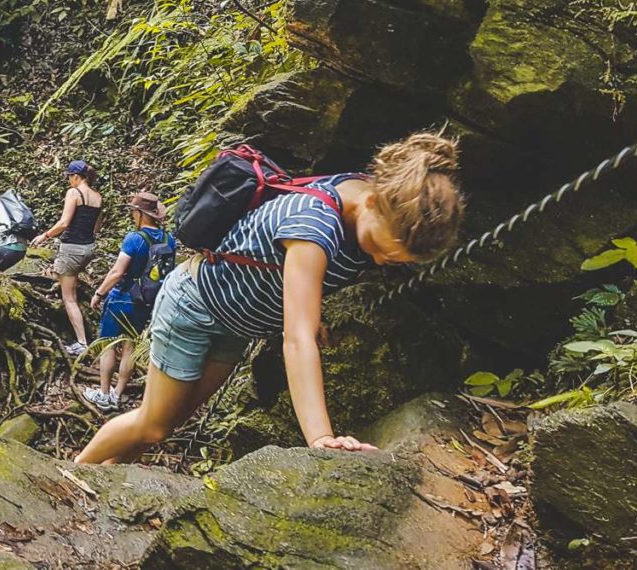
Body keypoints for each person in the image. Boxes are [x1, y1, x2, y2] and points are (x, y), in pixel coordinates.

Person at [76, 131, 465, 464]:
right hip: (193, 309)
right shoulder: (314, 225)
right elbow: (295, 339)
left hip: (236, 326)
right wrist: (320, 438)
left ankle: (108, 479)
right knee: (154, 423)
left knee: (166, 423)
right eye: (379, 248)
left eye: (393, 259)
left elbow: (297, 281)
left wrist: (313, 313)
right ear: (372, 203)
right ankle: (76, 474)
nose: (379, 260)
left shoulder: (367, 191)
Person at [86, 192, 176, 412]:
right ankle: (118, 395)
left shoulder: (134, 239)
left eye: (133, 211)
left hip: (122, 298)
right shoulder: (169, 239)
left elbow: (117, 271)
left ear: (140, 214)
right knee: (130, 348)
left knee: (108, 345)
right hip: (147, 301)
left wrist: (99, 293)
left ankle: (104, 394)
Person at [30, 160, 103, 356]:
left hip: (72, 248)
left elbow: (64, 223)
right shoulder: (98, 197)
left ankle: (81, 342)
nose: (69, 180)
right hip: (88, 249)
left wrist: (44, 236)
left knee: (69, 298)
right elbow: (96, 228)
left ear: (77, 177)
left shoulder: (74, 193)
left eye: (69, 177)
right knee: (68, 280)